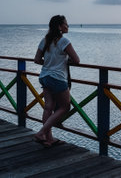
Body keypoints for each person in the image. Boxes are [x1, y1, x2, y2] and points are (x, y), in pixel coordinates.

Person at [33, 15, 80, 148]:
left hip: (44, 76)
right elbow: (76, 60)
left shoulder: (45, 40)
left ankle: (49, 139)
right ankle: (41, 133)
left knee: (49, 107)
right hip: (57, 78)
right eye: (66, 24)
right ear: (59, 27)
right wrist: (61, 63)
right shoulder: (64, 41)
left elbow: (36, 60)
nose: (67, 26)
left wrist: (49, 63)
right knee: (65, 107)